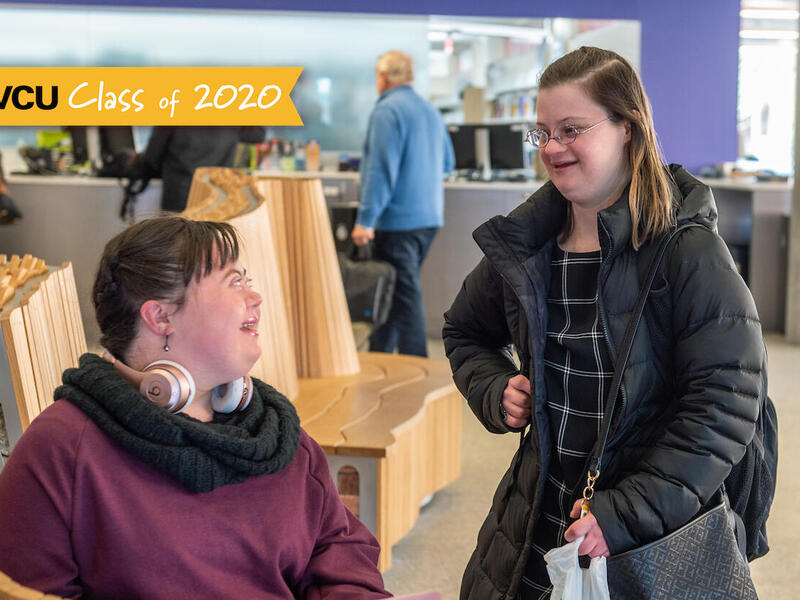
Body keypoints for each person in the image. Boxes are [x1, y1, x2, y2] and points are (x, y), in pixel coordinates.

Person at [442, 46, 765, 599]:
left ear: (628, 130)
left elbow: (725, 404)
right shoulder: (528, 246)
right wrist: (495, 389)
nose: (551, 148)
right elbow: (465, 332)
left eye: (571, 129)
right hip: (537, 518)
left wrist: (625, 514)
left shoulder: (687, 251)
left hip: (644, 530)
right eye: (541, 132)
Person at [0, 216, 390, 599]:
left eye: (248, 280)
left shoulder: (274, 433)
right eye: (234, 282)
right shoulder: (63, 447)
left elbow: (340, 551)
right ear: (161, 316)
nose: (255, 297)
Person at [352, 50, 455, 357]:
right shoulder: (430, 110)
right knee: (393, 292)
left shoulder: (387, 111)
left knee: (404, 296)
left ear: (383, 77)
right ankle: (379, 355)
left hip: (397, 221)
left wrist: (366, 220)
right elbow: (448, 162)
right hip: (428, 219)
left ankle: (417, 363)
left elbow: (380, 170)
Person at [140, 126, 266, 212]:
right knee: (210, 245)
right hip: (217, 193)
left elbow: (153, 155)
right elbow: (257, 135)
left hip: (180, 192)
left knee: (177, 244)